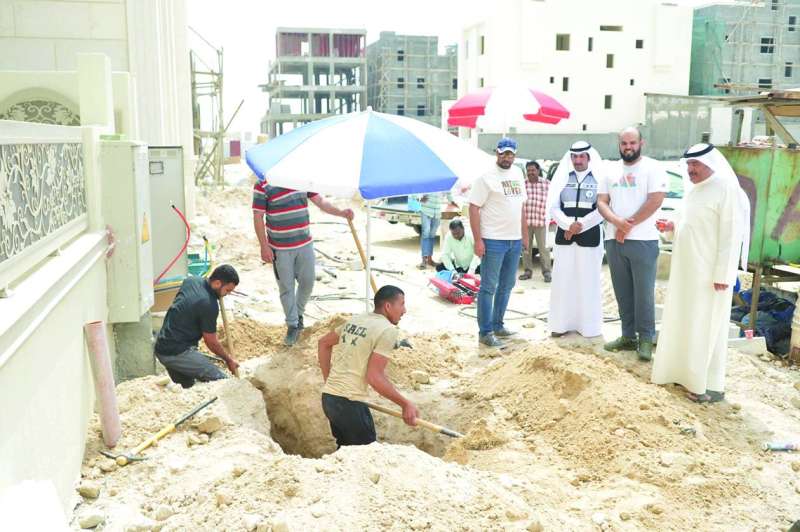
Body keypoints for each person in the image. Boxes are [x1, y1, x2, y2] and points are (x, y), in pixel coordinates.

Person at [651, 143, 750, 403]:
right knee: (685, 322)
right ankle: (681, 374)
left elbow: (731, 236)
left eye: (695, 164)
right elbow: (687, 224)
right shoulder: (693, 191)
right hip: (686, 272)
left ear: (710, 164)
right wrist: (670, 226)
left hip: (709, 277)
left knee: (706, 327)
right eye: (688, 165)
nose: (690, 169)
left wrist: (723, 274)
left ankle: (705, 385)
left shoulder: (726, 190)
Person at [252, 179, 354, 346]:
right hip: (280, 248)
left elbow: (320, 201)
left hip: (304, 244)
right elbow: (258, 216)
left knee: (308, 281)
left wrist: (341, 212)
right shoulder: (262, 185)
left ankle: (298, 314)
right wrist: (264, 246)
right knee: (286, 287)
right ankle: (293, 325)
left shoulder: (299, 177)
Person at [317, 285, 419, 447]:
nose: (404, 310)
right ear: (388, 306)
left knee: (345, 453)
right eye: (402, 304)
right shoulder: (388, 330)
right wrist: (405, 404)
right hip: (349, 402)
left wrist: (329, 380)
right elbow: (374, 377)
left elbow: (323, 343)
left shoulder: (356, 320)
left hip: (329, 399)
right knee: (366, 454)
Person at [597, 127, 667, 361]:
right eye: (624, 143)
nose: (628, 147)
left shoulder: (653, 168)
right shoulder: (609, 169)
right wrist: (617, 222)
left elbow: (656, 200)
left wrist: (628, 226)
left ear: (641, 143)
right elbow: (602, 201)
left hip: (643, 240)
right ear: (619, 144)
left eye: (632, 143)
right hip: (613, 240)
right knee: (623, 292)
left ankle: (646, 339)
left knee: (643, 293)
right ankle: (628, 336)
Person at [468, 137, 528, 347]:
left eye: (510, 153)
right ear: (496, 153)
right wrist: (478, 240)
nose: (506, 157)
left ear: (515, 155)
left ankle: (498, 325)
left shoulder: (518, 173)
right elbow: (474, 207)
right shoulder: (486, 177)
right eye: (503, 153)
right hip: (493, 240)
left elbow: (521, 206)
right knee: (488, 287)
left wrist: (524, 235)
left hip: (514, 240)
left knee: (507, 285)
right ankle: (485, 332)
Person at [547, 141, 606, 338]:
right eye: (574, 156)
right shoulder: (563, 178)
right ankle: (560, 324)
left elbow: (603, 208)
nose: (578, 160)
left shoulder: (599, 179)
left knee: (588, 281)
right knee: (563, 280)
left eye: (582, 156)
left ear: (588, 158)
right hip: (564, 238)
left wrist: (579, 225)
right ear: (570, 158)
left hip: (590, 237)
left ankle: (588, 327)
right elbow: (553, 207)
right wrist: (567, 225)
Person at [154, 265, 241, 388]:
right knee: (221, 380)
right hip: (176, 352)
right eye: (227, 290)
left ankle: (186, 383)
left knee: (188, 386)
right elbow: (211, 342)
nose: (227, 294)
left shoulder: (192, 280)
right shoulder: (208, 304)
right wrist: (229, 360)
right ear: (217, 283)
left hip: (163, 343)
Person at [519, 160, 552, 283]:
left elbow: (552, 201)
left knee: (543, 248)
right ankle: (527, 271)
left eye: (533, 170)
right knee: (526, 248)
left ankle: (547, 272)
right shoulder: (522, 185)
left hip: (541, 222)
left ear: (538, 171)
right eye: (528, 170)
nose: (530, 172)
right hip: (526, 223)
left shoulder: (547, 184)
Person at [415, 192, 452, 270]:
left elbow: (449, 193)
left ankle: (430, 259)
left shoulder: (444, 182)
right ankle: (424, 260)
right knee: (426, 233)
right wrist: (418, 198)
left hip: (437, 212)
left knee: (432, 235)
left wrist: (453, 202)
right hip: (426, 210)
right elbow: (417, 190)